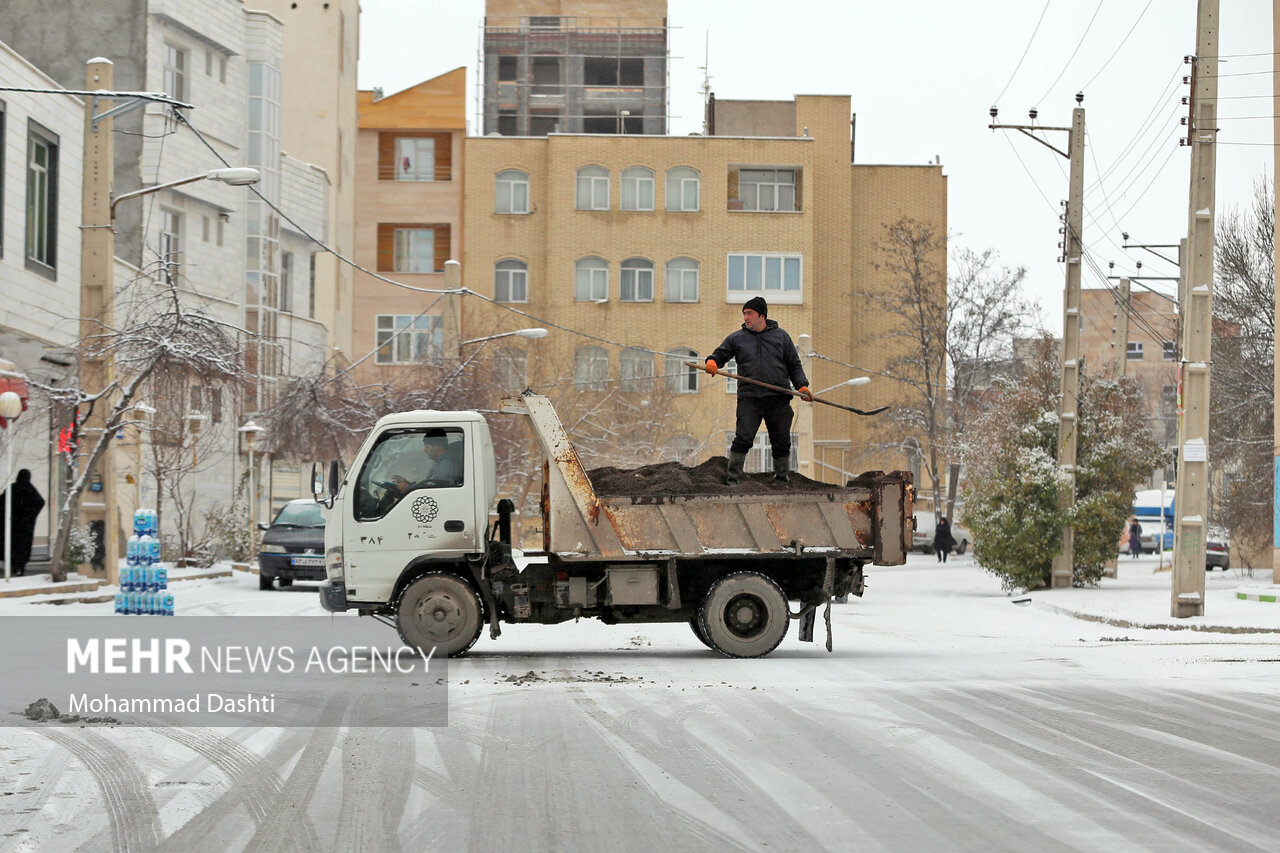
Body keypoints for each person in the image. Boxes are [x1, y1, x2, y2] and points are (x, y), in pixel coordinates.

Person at [706, 297, 812, 485]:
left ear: (761, 316)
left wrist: (802, 386)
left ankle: (781, 479)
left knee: (781, 440)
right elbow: (720, 353)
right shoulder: (737, 338)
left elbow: (794, 365)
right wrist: (713, 361)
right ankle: (734, 479)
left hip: (778, 397)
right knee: (743, 438)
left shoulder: (781, 337)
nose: (746, 317)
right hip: (750, 398)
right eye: (744, 313)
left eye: (749, 313)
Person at [0, 469, 45, 576]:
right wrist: (30, 516)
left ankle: (11, 564)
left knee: (10, 544)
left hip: (12, 524)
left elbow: (2, 502)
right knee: (22, 547)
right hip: (25, 527)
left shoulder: (12, 488)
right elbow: (40, 502)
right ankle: (19, 567)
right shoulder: (30, 489)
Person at [392, 430, 464, 493]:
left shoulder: (446, 464)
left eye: (427, 446)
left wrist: (408, 487)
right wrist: (408, 484)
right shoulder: (442, 463)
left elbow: (432, 486)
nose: (425, 450)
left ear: (437, 447)